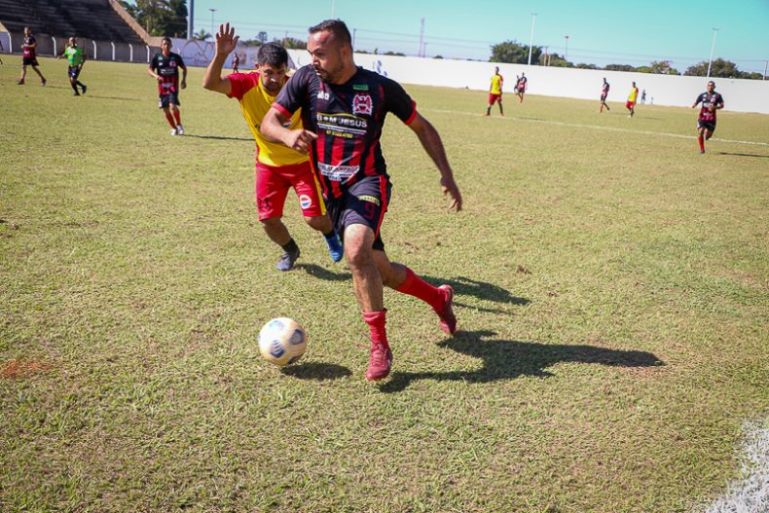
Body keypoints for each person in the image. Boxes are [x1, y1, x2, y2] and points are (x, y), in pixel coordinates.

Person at [261, 19, 463, 382]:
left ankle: (379, 347)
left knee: (356, 251)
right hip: (334, 195)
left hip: (368, 183)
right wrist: (287, 136)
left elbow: (423, 127)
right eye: (310, 54)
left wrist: (446, 173)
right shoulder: (305, 80)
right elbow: (269, 123)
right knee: (380, 270)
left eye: (320, 54)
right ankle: (438, 298)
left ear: (344, 51)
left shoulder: (379, 88)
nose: (313, 60)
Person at [202, 23, 343, 270]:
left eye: (280, 72)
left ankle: (331, 234)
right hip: (268, 165)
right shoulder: (245, 85)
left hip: (302, 164)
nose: (275, 79)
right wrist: (221, 54)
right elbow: (210, 84)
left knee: (314, 219)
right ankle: (290, 250)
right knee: (268, 219)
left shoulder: (297, 86)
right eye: (269, 72)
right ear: (257, 68)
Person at [148, 37, 187, 136]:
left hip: (173, 87)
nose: (167, 46)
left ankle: (179, 125)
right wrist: (156, 76)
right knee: (165, 110)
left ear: (171, 46)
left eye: (168, 44)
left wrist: (183, 80)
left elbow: (184, 68)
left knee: (173, 107)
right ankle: (174, 128)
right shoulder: (157, 57)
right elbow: (149, 70)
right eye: (164, 44)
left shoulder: (176, 57)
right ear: (161, 46)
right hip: (162, 89)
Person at [691, 80, 724, 154]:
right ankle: (702, 149)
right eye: (709, 85)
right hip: (702, 117)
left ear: (714, 87)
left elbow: (722, 105)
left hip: (711, 119)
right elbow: (697, 101)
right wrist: (694, 105)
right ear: (707, 86)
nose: (710, 87)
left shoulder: (718, 96)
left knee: (707, 136)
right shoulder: (702, 95)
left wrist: (714, 107)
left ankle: (707, 136)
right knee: (700, 132)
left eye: (712, 85)